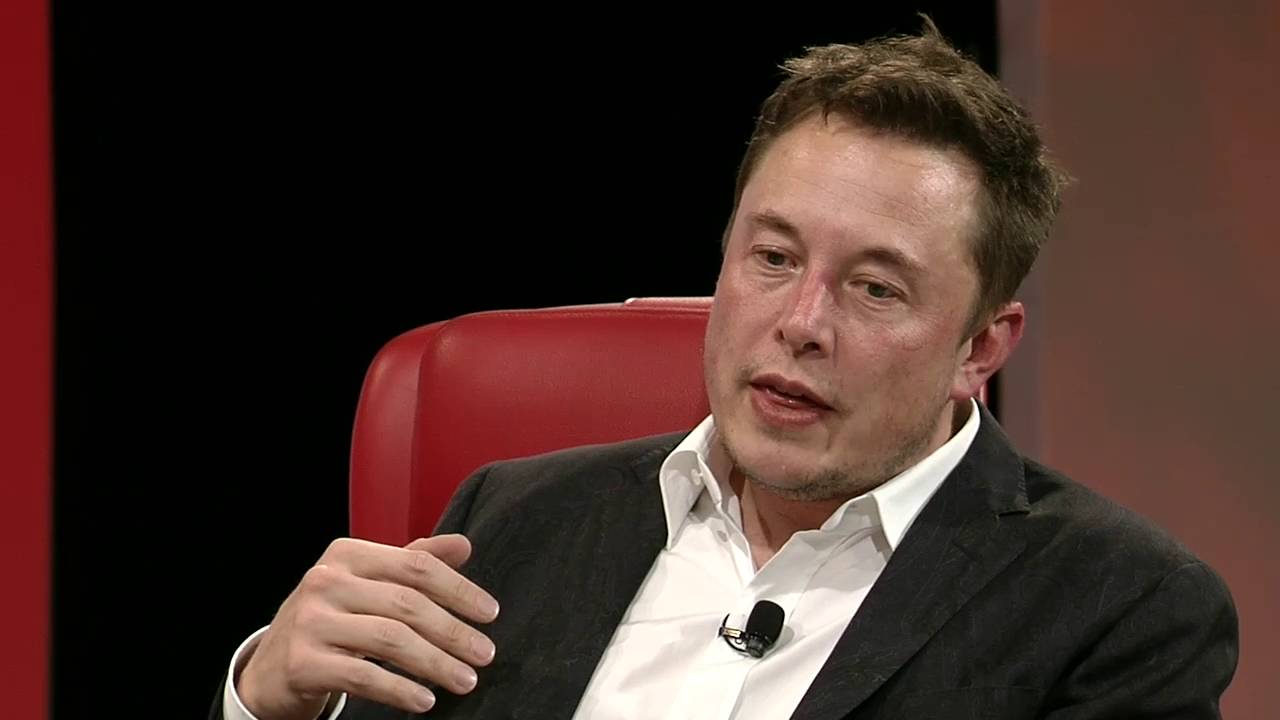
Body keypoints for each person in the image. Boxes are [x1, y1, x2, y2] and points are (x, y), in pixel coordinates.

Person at [211, 19, 1238, 720]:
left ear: (980, 348)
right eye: (773, 258)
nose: (800, 324)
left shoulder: (1119, 608)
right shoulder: (513, 519)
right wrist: (265, 703)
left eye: (875, 289)